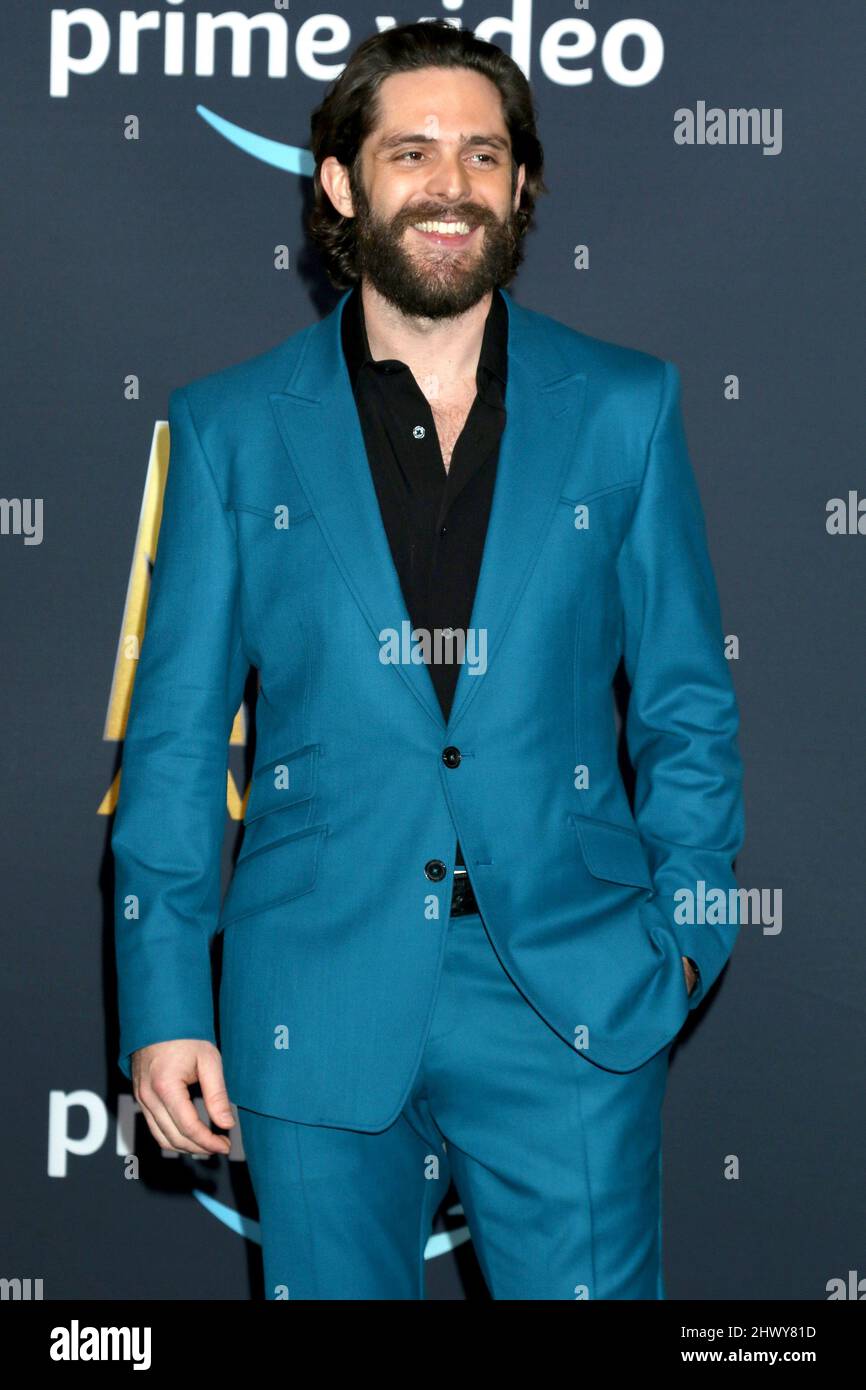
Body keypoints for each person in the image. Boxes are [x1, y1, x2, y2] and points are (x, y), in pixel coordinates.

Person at [112, 20, 744, 1300]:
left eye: (482, 152)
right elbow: (178, 737)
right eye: (411, 151)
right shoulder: (228, 427)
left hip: (570, 993)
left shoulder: (627, 403)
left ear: (519, 187)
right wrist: (166, 995)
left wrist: (684, 936)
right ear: (342, 187)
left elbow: (687, 703)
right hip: (314, 987)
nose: (449, 183)